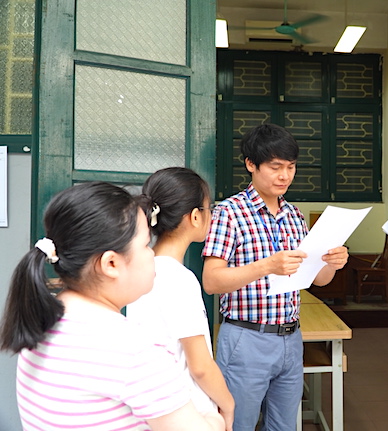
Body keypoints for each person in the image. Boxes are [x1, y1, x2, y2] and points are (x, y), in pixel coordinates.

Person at [0, 182, 224, 430]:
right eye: (145, 245)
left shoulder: (42, 321)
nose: (152, 254)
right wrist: (214, 418)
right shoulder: (134, 350)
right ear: (111, 264)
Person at [201, 123, 349, 431]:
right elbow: (212, 281)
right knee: (237, 423)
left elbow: (317, 279)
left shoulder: (294, 215)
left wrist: (333, 263)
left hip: (291, 338)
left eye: (291, 167)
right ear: (251, 165)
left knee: (284, 426)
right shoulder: (229, 212)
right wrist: (266, 266)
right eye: (276, 167)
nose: (284, 176)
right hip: (246, 337)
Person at [127, 168, 234, 430]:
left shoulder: (139, 271)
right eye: (210, 209)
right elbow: (200, 366)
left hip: (152, 406)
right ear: (195, 216)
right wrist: (229, 403)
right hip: (186, 411)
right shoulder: (179, 278)